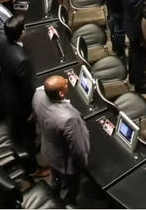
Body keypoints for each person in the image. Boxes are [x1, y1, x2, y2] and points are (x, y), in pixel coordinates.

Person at [0, 14, 46, 175]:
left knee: (19, 129)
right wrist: (33, 111)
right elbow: (28, 90)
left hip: (5, 91)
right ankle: (32, 169)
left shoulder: (2, 40)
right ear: (22, 31)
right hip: (20, 104)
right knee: (28, 136)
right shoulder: (22, 61)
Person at [33, 75, 90, 205]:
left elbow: (36, 116)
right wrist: (82, 164)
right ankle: (65, 206)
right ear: (61, 93)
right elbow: (77, 148)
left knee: (55, 179)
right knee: (68, 190)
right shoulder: (68, 119)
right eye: (65, 83)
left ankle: (54, 195)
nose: (66, 81)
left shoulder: (38, 95)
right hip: (66, 162)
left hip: (50, 151)